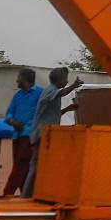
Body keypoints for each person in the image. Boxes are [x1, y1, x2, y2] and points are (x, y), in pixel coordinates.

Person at [21, 67, 83, 198]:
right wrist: (74, 86)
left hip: (46, 135)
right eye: (65, 79)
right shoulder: (51, 90)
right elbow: (61, 93)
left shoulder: (52, 93)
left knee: (41, 165)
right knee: (35, 166)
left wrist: (67, 109)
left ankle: (35, 193)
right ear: (59, 80)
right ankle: (26, 195)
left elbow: (53, 115)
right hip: (41, 135)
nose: (66, 81)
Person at [1, 68, 42, 196]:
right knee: (20, 167)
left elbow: (44, 113)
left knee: (20, 165)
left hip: (29, 135)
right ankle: (26, 195)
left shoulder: (40, 93)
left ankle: (7, 194)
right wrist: (12, 121)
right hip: (17, 136)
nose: (16, 80)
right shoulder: (17, 96)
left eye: (18, 77)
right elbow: (8, 114)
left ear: (25, 79)